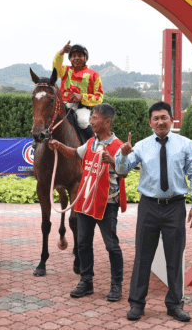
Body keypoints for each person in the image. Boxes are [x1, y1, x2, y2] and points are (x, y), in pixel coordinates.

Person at [114, 102, 192, 322]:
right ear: (149, 122)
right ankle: (136, 304)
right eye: (156, 118)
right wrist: (123, 155)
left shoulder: (185, 144)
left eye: (164, 117)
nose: (160, 122)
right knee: (143, 257)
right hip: (149, 206)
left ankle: (175, 304)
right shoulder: (142, 146)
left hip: (175, 206)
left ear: (172, 119)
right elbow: (121, 170)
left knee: (175, 258)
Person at [48, 103, 126, 302]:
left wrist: (113, 161)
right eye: (91, 117)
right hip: (85, 201)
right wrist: (59, 146)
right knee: (83, 244)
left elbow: (124, 172)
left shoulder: (119, 147)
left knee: (112, 246)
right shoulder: (91, 142)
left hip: (106, 204)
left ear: (107, 122)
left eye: (95, 118)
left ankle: (116, 285)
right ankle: (86, 281)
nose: (91, 121)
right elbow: (75, 153)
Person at [53, 41, 104, 141]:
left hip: (82, 107)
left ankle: (95, 144)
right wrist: (61, 53)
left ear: (85, 58)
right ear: (70, 59)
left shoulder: (94, 74)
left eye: (80, 55)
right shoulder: (64, 70)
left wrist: (82, 97)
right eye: (74, 56)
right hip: (64, 105)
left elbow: (99, 97)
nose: (76, 58)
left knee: (83, 122)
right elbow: (56, 67)